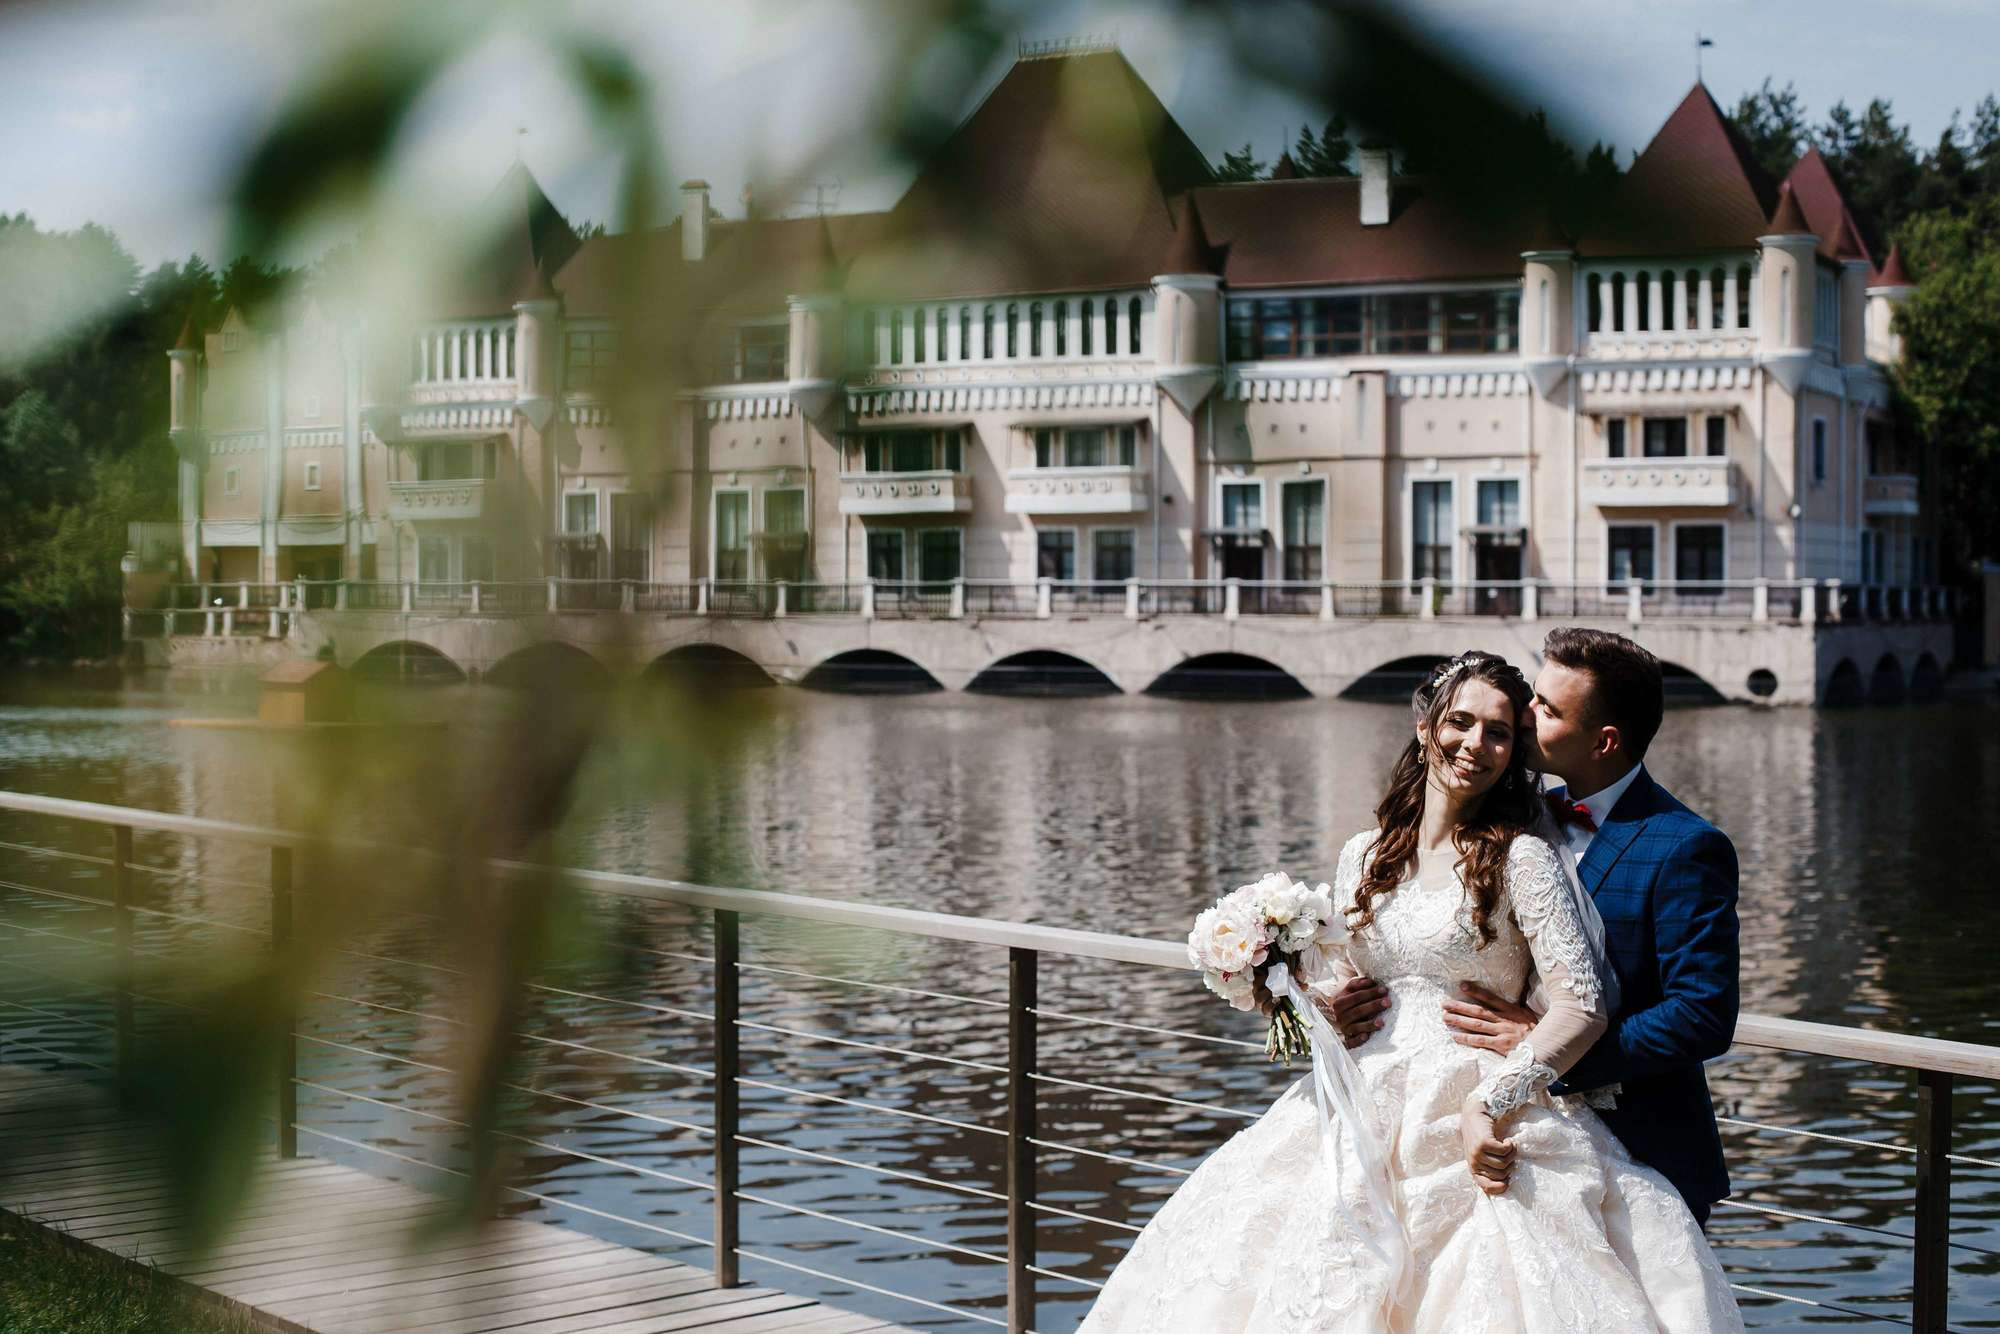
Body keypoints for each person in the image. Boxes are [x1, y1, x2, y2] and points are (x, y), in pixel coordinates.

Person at [1079, 650, 1742, 1332]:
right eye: (1463, 722)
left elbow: (1657, 1010)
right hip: (1361, 1107)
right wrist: (1314, 1003)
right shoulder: (1365, 854)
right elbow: (1346, 978)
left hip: (1504, 1100)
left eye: (1511, 726)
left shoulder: (1541, 851)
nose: (1484, 741)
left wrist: (1507, 1084)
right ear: (1427, 727)